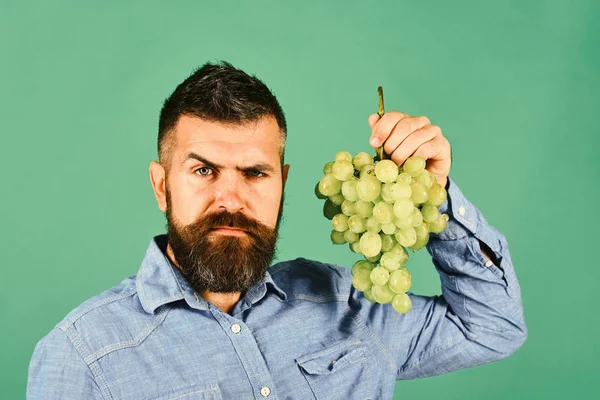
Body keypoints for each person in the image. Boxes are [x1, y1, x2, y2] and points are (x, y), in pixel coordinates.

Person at [27, 61, 527, 400]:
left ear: (283, 183)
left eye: (255, 173)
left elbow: (492, 328)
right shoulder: (82, 357)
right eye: (203, 171)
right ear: (162, 186)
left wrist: (431, 193)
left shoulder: (344, 301)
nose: (231, 199)